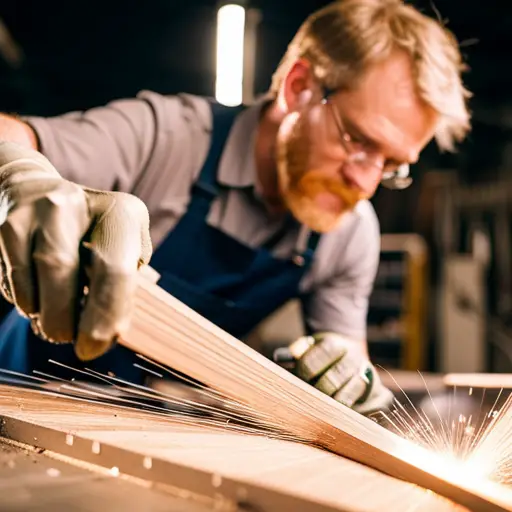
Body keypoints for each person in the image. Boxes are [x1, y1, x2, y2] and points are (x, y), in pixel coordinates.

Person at [0, 0, 470, 415]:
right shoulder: (166, 136)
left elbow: (345, 353)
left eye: (391, 164)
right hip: (20, 395)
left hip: (148, 424)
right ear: (298, 86)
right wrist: (18, 178)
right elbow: (13, 137)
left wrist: (348, 376)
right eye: (360, 142)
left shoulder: (350, 232)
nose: (365, 182)